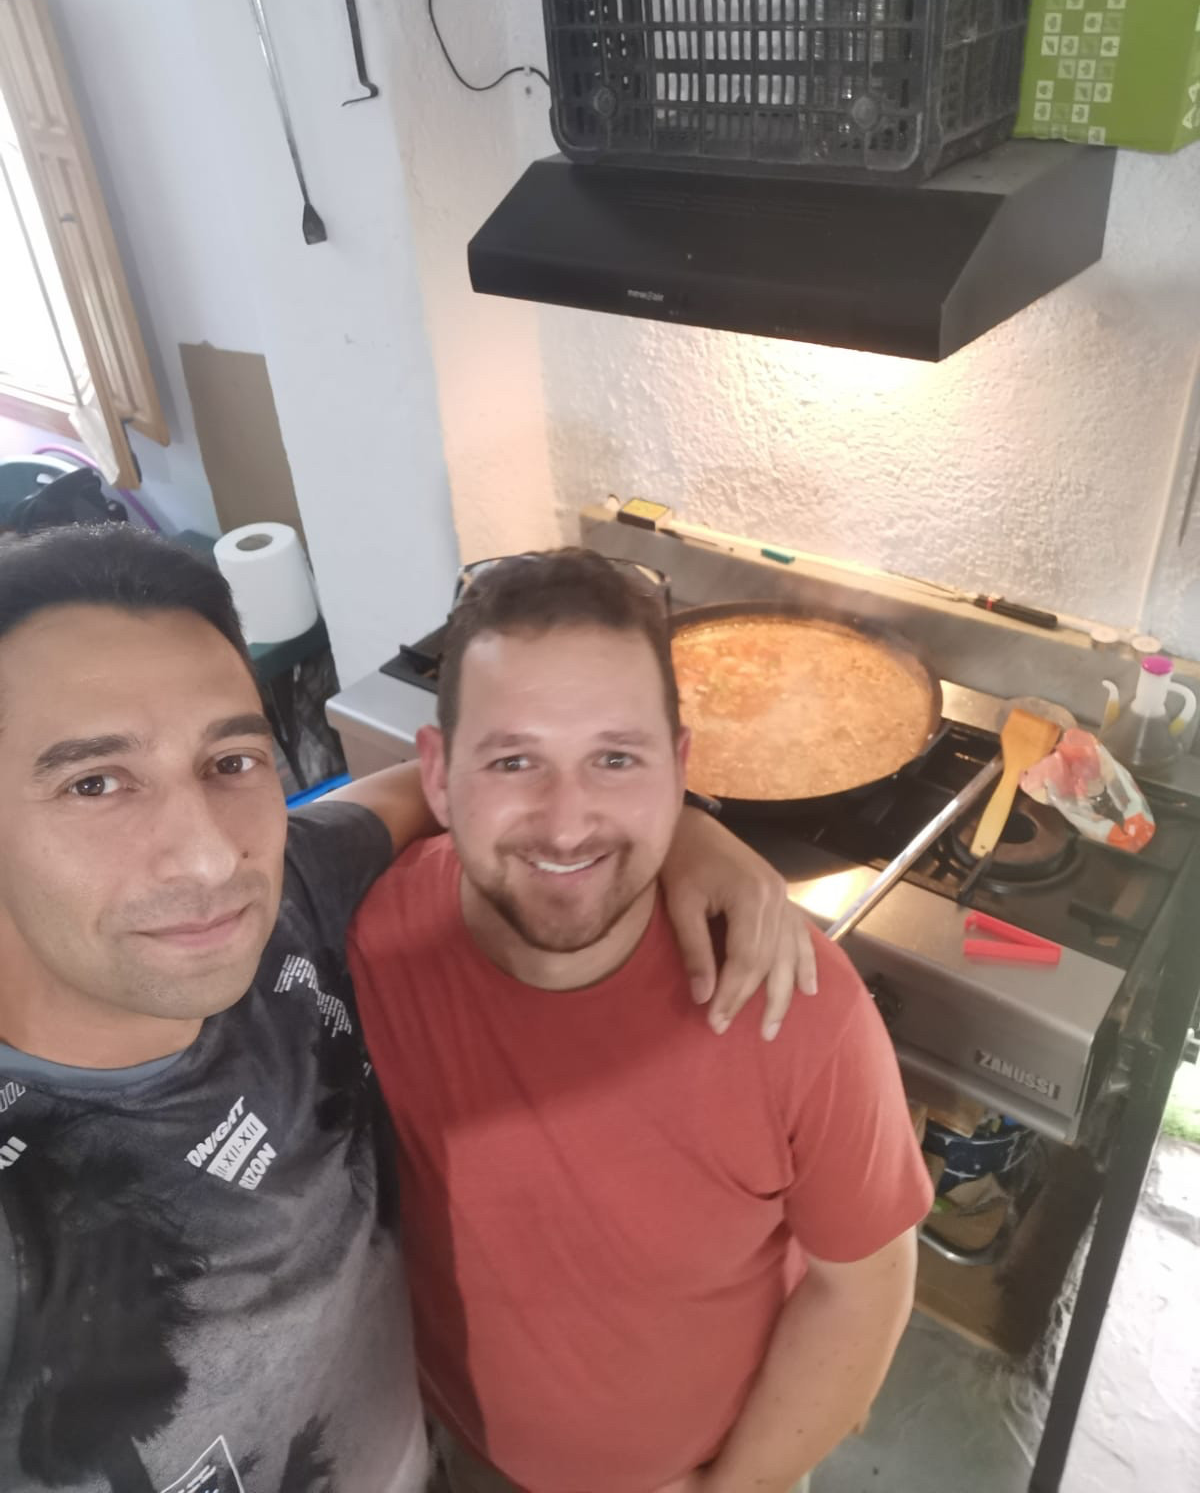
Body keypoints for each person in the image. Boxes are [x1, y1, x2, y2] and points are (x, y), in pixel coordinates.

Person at [0, 524, 815, 1493]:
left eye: (230, 761)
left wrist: (677, 826)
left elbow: (449, 794)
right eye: (95, 783)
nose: (211, 858)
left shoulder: (294, 890)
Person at [348, 549, 935, 1493]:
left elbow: (864, 1288)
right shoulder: (363, 948)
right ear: (439, 776)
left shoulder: (792, 1004)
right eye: (513, 760)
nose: (567, 823)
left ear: (680, 771)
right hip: (462, 1452)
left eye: (615, 759)